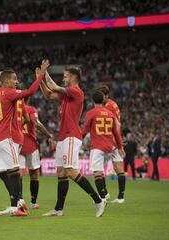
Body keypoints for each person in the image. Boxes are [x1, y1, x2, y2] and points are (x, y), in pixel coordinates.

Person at [0, 60, 49, 217]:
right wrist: (41, 75)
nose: (17, 81)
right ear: (6, 81)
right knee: (15, 171)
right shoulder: (9, 93)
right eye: (14, 79)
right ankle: (14, 206)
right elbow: (30, 91)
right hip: (4, 138)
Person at [40, 67, 106, 218]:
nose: (63, 79)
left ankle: (98, 201)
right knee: (62, 173)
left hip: (71, 136)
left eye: (65, 76)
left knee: (70, 170)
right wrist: (40, 80)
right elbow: (48, 95)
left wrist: (45, 73)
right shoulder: (66, 97)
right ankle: (58, 209)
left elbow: (54, 87)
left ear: (73, 78)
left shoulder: (76, 91)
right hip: (63, 137)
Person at [81, 91, 125, 201]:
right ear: (103, 99)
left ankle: (103, 197)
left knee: (97, 173)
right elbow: (116, 133)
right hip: (109, 147)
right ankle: (108, 194)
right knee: (102, 172)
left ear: (93, 101)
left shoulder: (91, 113)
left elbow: (85, 130)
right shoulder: (110, 114)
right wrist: (119, 147)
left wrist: (78, 140)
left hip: (97, 146)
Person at [18, 96, 54, 209]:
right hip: (30, 145)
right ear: (29, 98)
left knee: (18, 174)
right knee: (34, 175)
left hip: (17, 144)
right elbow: (36, 123)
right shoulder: (31, 109)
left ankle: (20, 200)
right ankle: (33, 202)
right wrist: (49, 135)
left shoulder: (13, 109)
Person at [97, 85, 126, 203]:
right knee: (107, 168)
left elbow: (117, 124)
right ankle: (111, 195)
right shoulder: (108, 105)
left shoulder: (110, 106)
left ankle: (114, 196)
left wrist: (116, 140)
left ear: (106, 95)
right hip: (109, 139)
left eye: (101, 95)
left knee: (115, 168)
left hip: (111, 140)